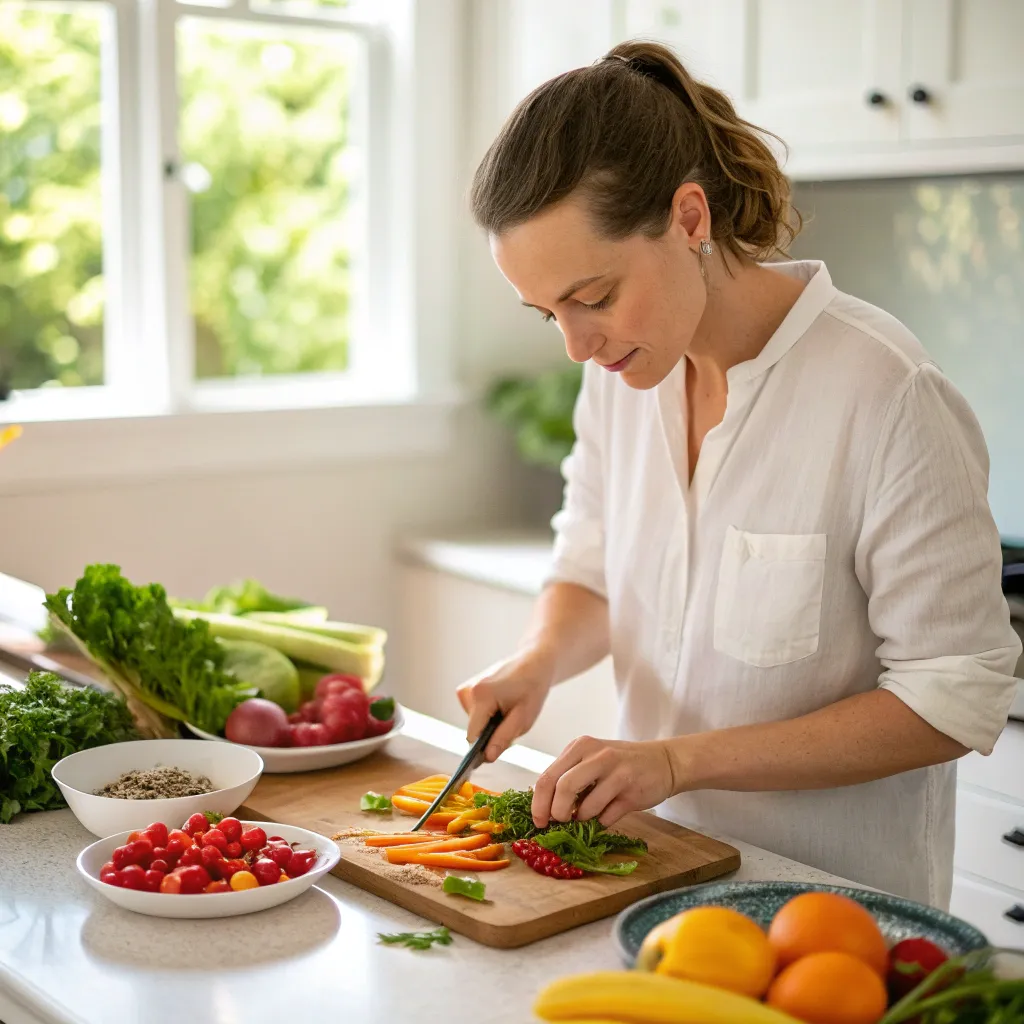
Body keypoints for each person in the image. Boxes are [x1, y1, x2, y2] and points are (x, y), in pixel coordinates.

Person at [457, 40, 1021, 906]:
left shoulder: (886, 394)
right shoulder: (621, 377)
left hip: (833, 918)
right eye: (549, 314)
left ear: (689, 219)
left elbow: (952, 698)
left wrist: (680, 761)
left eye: (595, 298)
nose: (576, 344)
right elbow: (592, 570)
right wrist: (536, 663)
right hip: (651, 884)